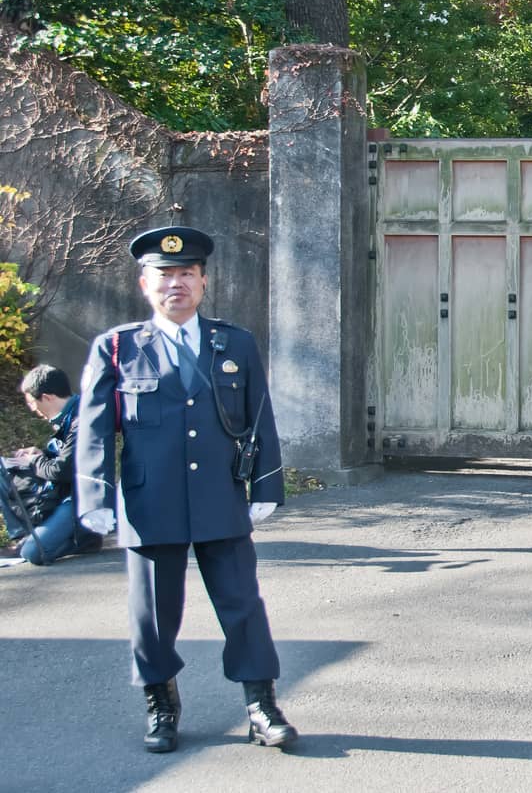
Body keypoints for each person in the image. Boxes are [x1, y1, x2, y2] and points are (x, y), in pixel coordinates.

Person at [76, 225, 298, 753]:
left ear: (202, 282)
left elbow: (259, 415)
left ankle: (261, 705)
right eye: (164, 275)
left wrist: (267, 483)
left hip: (220, 496)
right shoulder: (116, 347)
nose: (176, 284)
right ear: (144, 284)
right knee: (153, 614)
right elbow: (94, 427)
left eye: (186, 274)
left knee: (243, 604)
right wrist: (93, 496)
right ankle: (161, 704)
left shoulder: (234, 343)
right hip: (150, 502)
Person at [1, 364, 104, 565]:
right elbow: (63, 458)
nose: (32, 408)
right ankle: (22, 536)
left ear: (47, 397)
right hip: (63, 490)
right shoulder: (68, 415)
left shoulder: (82, 420)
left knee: (33, 553)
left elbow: (61, 470)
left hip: (80, 498)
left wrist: (34, 460)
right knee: (3, 467)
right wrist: (42, 454)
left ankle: (85, 539)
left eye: (32, 402)